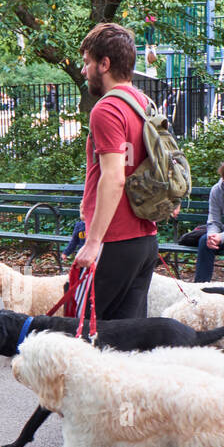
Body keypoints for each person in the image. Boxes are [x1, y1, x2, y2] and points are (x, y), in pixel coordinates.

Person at [72, 22, 159, 321]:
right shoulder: (145, 103)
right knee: (127, 342)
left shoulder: (106, 109)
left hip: (114, 240)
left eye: (87, 63)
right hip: (145, 240)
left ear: (104, 64)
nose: (84, 71)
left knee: (83, 332)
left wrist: (93, 241)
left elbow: (114, 176)